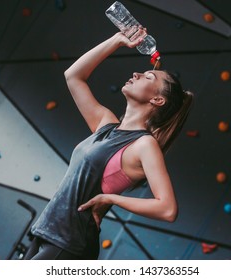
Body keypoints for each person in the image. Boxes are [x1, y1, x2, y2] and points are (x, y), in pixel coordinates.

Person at [24, 30, 194, 260]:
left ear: (157, 100)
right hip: (46, 230)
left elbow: (167, 209)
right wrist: (117, 40)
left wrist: (110, 199)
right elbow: (73, 76)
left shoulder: (144, 145)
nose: (136, 73)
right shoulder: (106, 124)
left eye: (148, 77)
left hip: (70, 243)